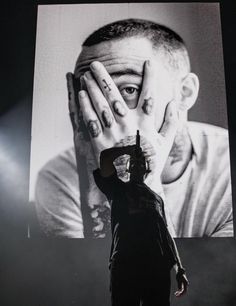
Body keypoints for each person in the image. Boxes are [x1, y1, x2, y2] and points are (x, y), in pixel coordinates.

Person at [34, 19, 233, 238]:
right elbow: (96, 272)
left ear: (185, 92)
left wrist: (142, 179)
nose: (104, 109)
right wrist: (93, 173)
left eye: (129, 89)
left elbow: (171, 272)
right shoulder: (58, 179)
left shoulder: (227, 170)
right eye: (88, 93)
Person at [93, 130, 189, 305]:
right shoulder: (117, 188)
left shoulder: (157, 198)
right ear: (128, 167)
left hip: (156, 265)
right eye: (134, 162)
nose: (137, 164)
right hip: (125, 262)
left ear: (147, 168)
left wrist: (179, 269)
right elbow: (105, 158)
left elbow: (166, 235)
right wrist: (130, 149)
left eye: (141, 162)